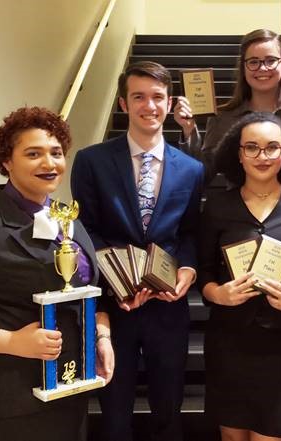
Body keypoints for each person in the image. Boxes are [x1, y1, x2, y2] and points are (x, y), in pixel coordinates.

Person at [0, 107, 114, 441]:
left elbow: (89, 290)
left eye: (56, 153)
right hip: (14, 403)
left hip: (69, 387)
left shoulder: (65, 218)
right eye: (33, 154)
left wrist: (101, 337)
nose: (49, 163)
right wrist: (11, 341)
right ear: (6, 161)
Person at [71, 61, 204, 441]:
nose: (150, 105)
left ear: (170, 101)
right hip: (115, 308)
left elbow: (191, 231)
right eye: (139, 97)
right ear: (123, 104)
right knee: (114, 411)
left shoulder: (192, 168)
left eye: (158, 97)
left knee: (168, 409)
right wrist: (116, 281)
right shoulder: (91, 161)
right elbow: (86, 230)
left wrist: (189, 270)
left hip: (167, 304)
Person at [198, 111, 281, 441]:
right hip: (229, 341)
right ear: (238, 154)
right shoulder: (216, 205)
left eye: (272, 147)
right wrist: (218, 294)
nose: (262, 156)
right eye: (251, 147)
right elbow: (205, 272)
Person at [174, 28, 281, 189]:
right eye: (253, 62)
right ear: (243, 68)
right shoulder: (223, 117)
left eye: (271, 60)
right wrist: (189, 131)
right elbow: (202, 175)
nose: (262, 68)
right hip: (239, 215)